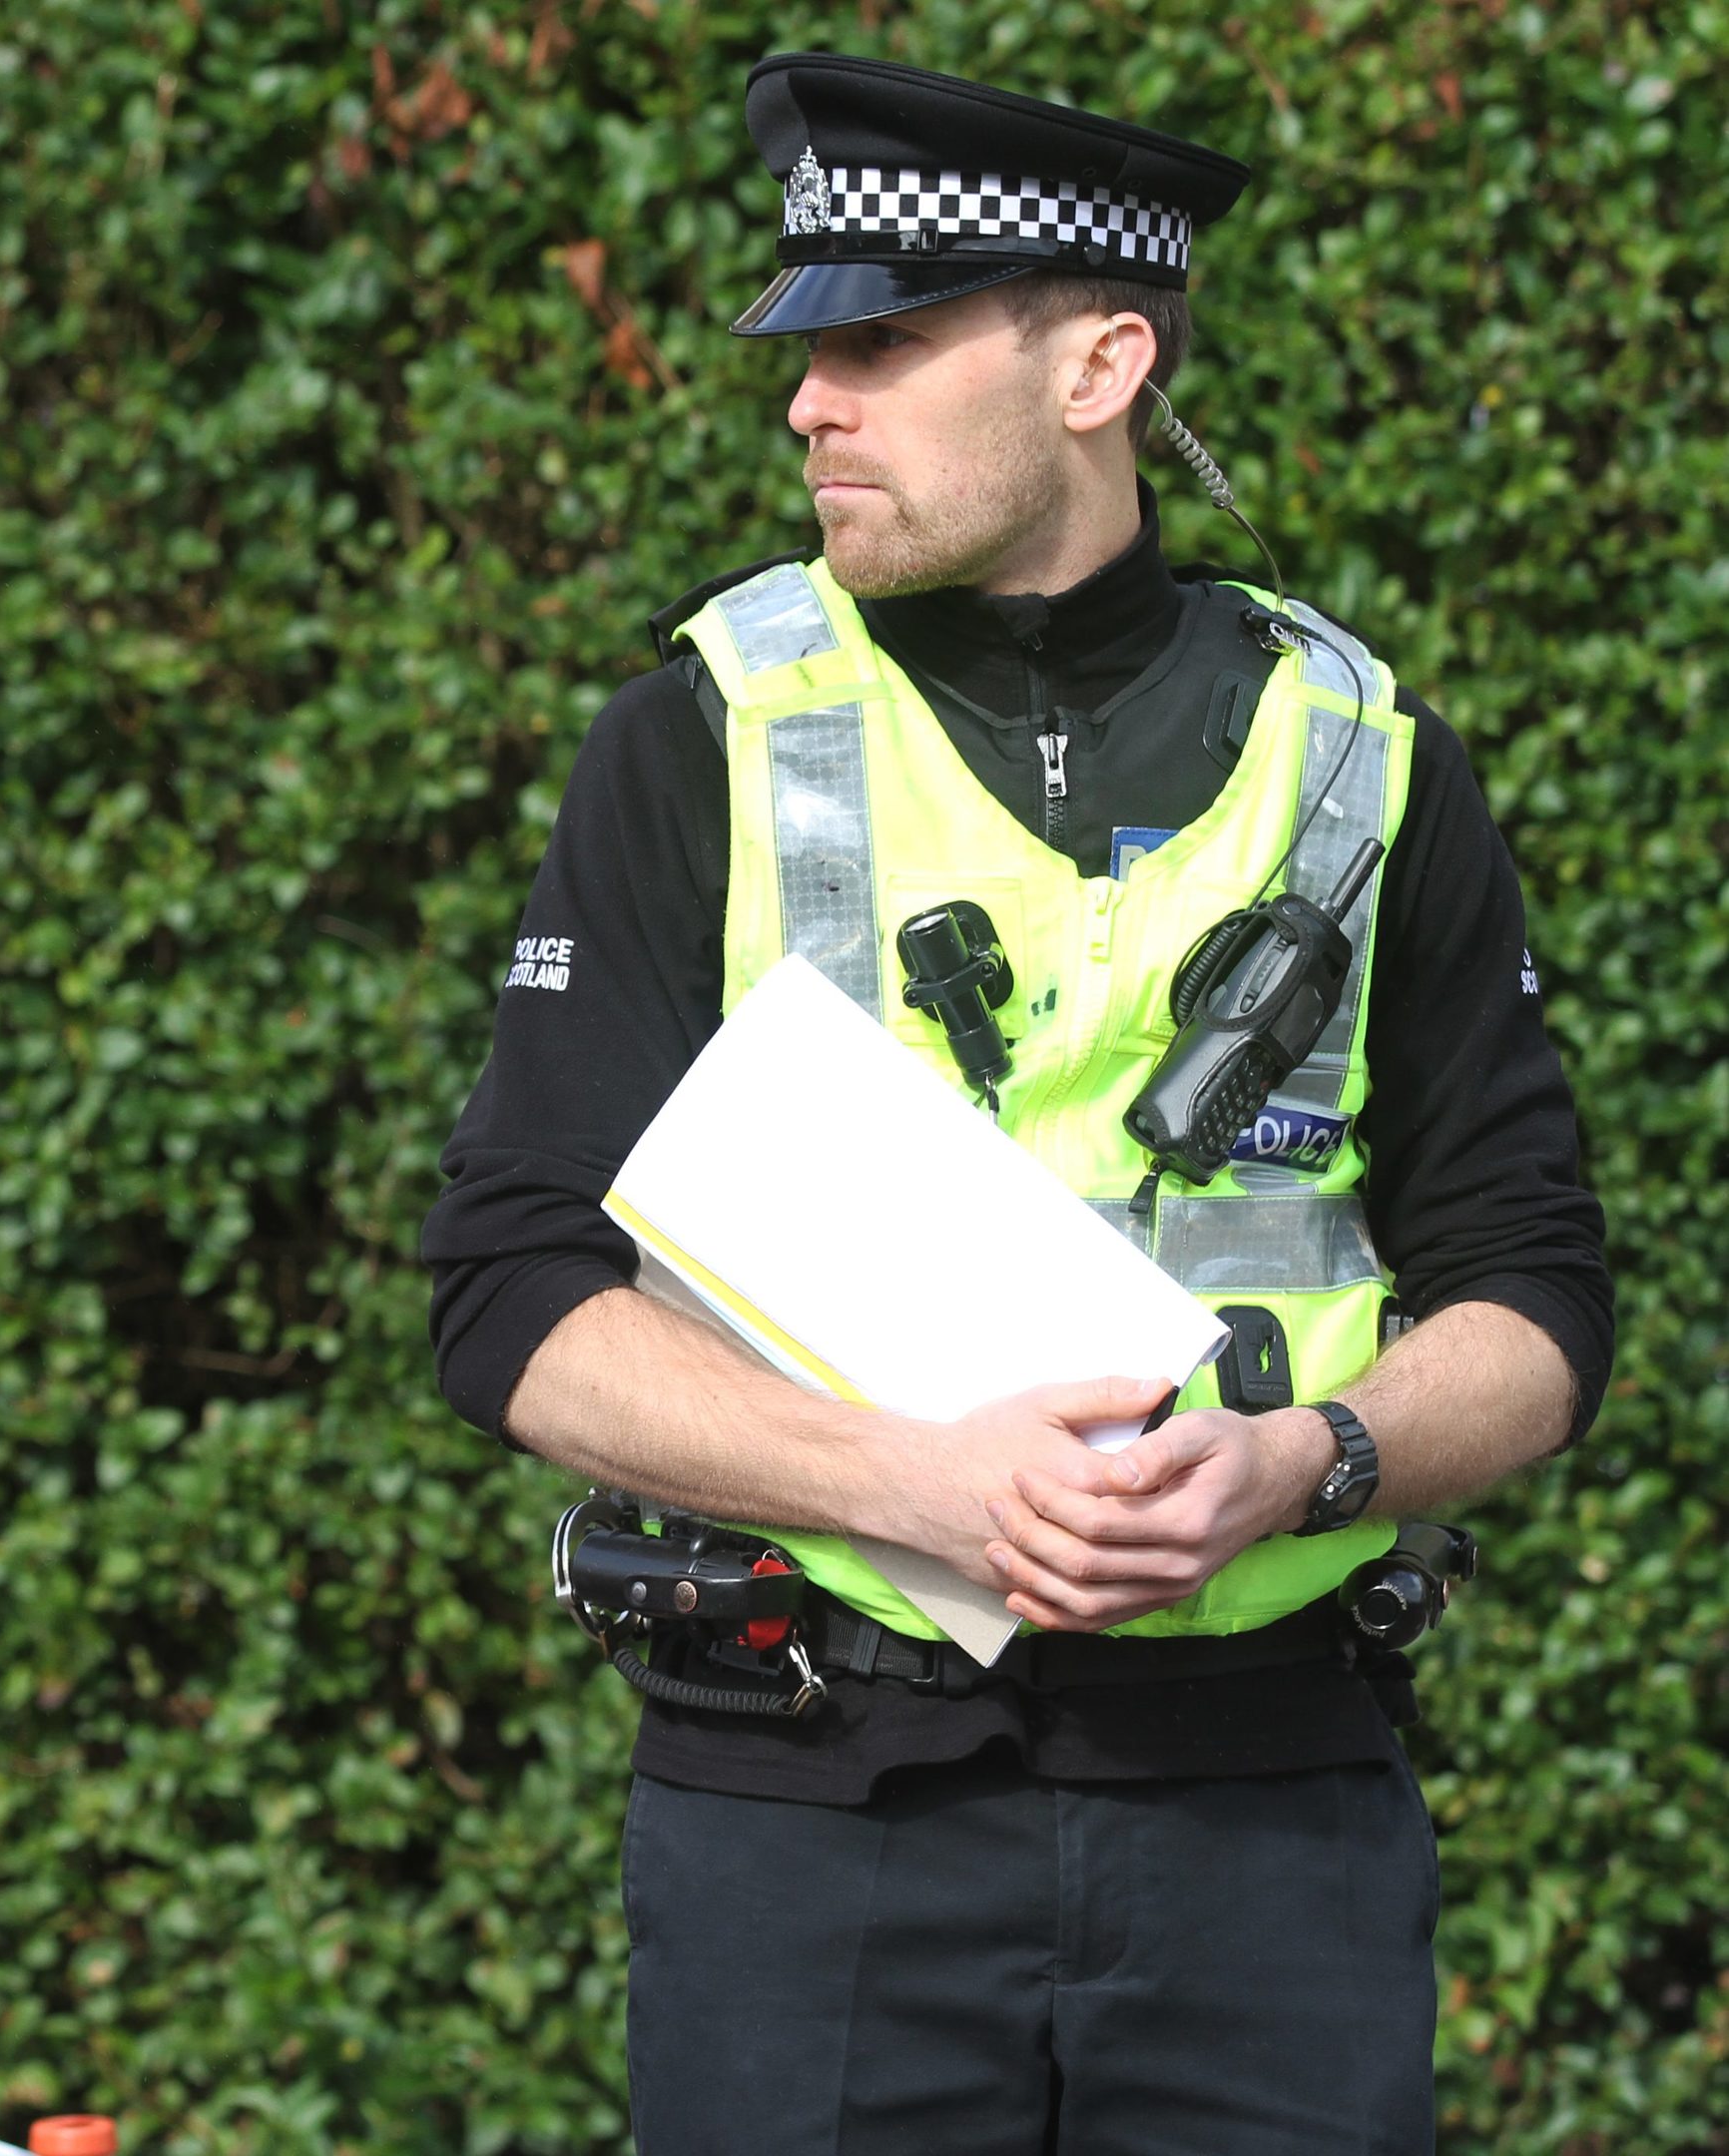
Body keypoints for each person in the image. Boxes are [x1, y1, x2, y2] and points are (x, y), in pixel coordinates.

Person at [419, 52, 1611, 2154]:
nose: (808, 402)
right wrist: (910, 1488)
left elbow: (1536, 1305)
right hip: (809, 1823)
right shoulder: (696, 733)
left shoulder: (1366, 759)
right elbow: (506, 1297)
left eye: (877, 341)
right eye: (804, 350)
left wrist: (1308, 1462)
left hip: (1270, 1823)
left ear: (1102, 364)